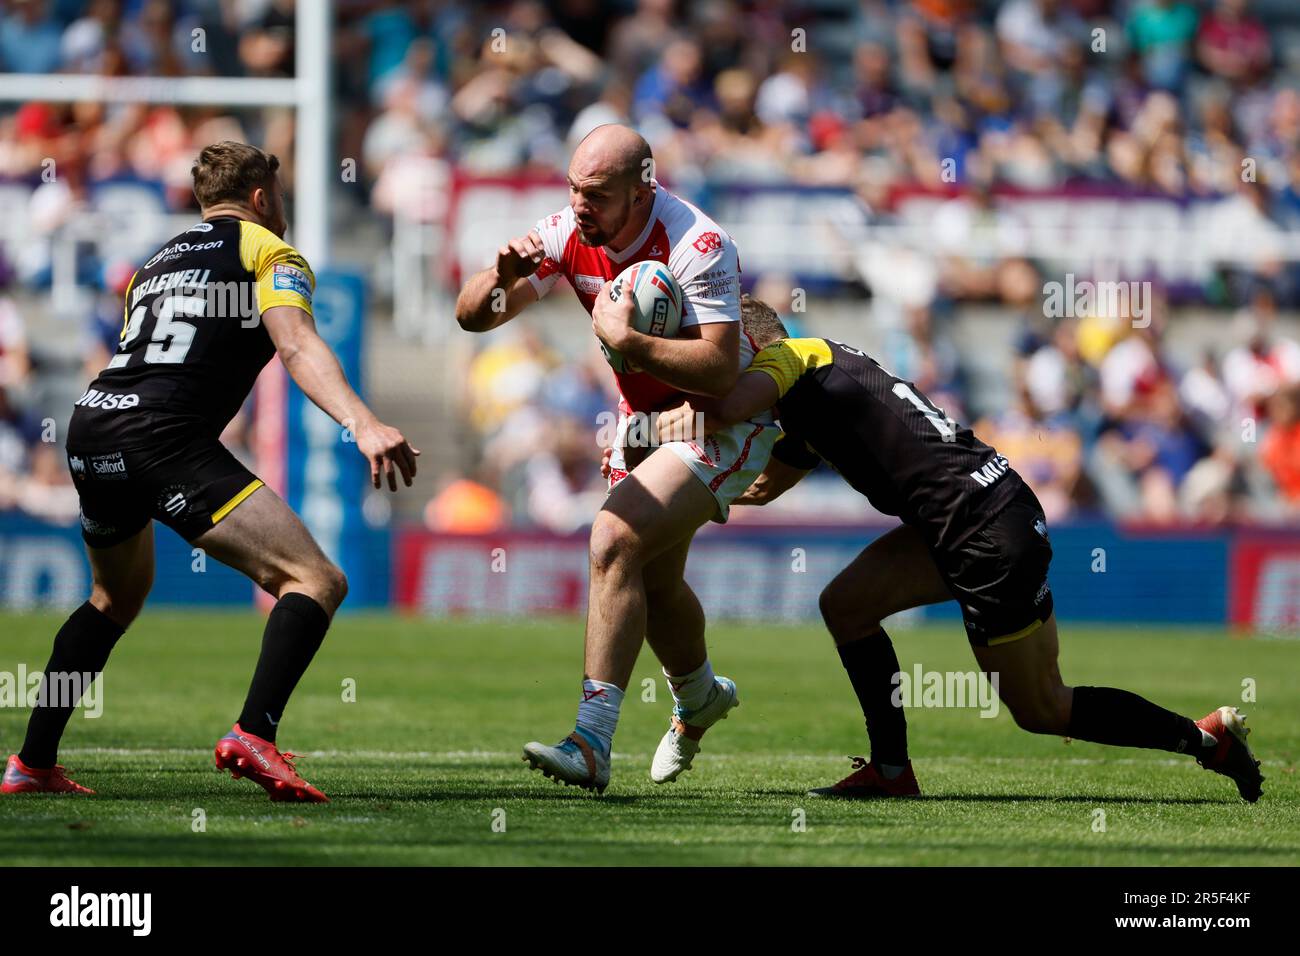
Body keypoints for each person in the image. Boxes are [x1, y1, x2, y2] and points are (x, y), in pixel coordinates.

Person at [653, 298, 1263, 803]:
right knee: (847, 604)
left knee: (1042, 707)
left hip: (979, 532)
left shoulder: (794, 355)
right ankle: (891, 770)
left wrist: (664, 406)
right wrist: (672, 488)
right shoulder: (812, 392)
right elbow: (758, 487)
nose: (712, 368)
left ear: (749, 351)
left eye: (719, 357)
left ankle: (1206, 741)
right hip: (991, 510)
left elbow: (730, 405)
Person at [2, 142, 419, 803]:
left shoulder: (155, 263)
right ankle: (255, 733)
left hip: (94, 423)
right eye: (278, 198)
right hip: (161, 436)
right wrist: (363, 422)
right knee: (315, 578)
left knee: (113, 597)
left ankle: (30, 762)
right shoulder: (268, 252)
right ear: (261, 198)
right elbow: (296, 344)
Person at [455, 125, 778, 792]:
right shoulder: (565, 231)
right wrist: (499, 278)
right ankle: (698, 698)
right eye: (573, 189)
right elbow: (471, 318)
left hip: (719, 419)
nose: (579, 205)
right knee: (654, 587)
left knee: (613, 537)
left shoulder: (699, 243)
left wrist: (625, 339)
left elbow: (719, 369)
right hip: (646, 425)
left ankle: (592, 742)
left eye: (597, 195)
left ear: (644, 189)